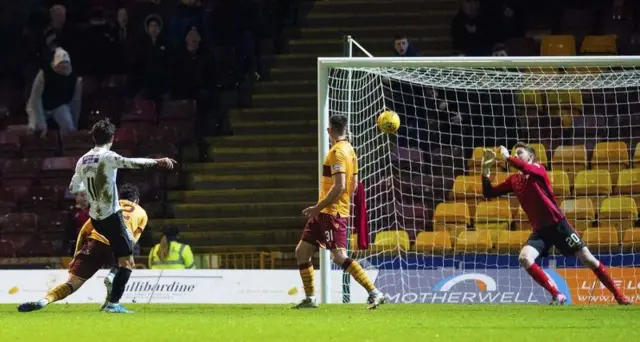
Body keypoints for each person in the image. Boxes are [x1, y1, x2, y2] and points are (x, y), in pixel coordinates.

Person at [481, 142, 631, 305]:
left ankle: (619, 296)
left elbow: (526, 168)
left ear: (530, 157)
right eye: (514, 154)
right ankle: (557, 294)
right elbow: (489, 193)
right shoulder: (514, 180)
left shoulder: (538, 169)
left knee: (588, 259)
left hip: (559, 225)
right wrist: (485, 171)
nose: (516, 156)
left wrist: (507, 157)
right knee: (524, 257)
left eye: (519, 153)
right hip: (540, 231)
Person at [65, 119, 175, 313]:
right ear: (112, 138)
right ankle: (113, 303)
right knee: (128, 261)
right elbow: (130, 163)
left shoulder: (82, 160)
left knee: (120, 253)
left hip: (96, 218)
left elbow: (74, 187)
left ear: (93, 137)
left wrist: (91, 188)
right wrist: (157, 162)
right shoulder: (108, 156)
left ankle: (112, 278)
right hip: (112, 217)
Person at [295, 115, 386, 309]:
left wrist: (318, 208)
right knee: (302, 251)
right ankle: (310, 299)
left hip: (331, 212)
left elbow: (340, 186)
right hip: (326, 211)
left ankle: (374, 292)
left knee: (339, 256)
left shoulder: (337, 152)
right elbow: (353, 186)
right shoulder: (351, 151)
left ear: (329, 130)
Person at [17, 183, 149, 313]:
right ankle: (113, 289)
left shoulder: (107, 206)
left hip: (94, 243)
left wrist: (76, 256)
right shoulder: (141, 213)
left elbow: (84, 232)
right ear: (136, 200)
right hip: (116, 245)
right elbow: (131, 240)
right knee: (126, 263)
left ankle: (44, 301)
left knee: (72, 284)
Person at [26, 47, 82, 136]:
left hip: (59, 106)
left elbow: (75, 103)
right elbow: (35, 98)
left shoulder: (75, 79)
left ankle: (66, 147)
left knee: (68, 126)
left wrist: (74, 124)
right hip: (40, 104)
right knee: (37, 128)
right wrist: (40, 122)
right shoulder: (43, 74)